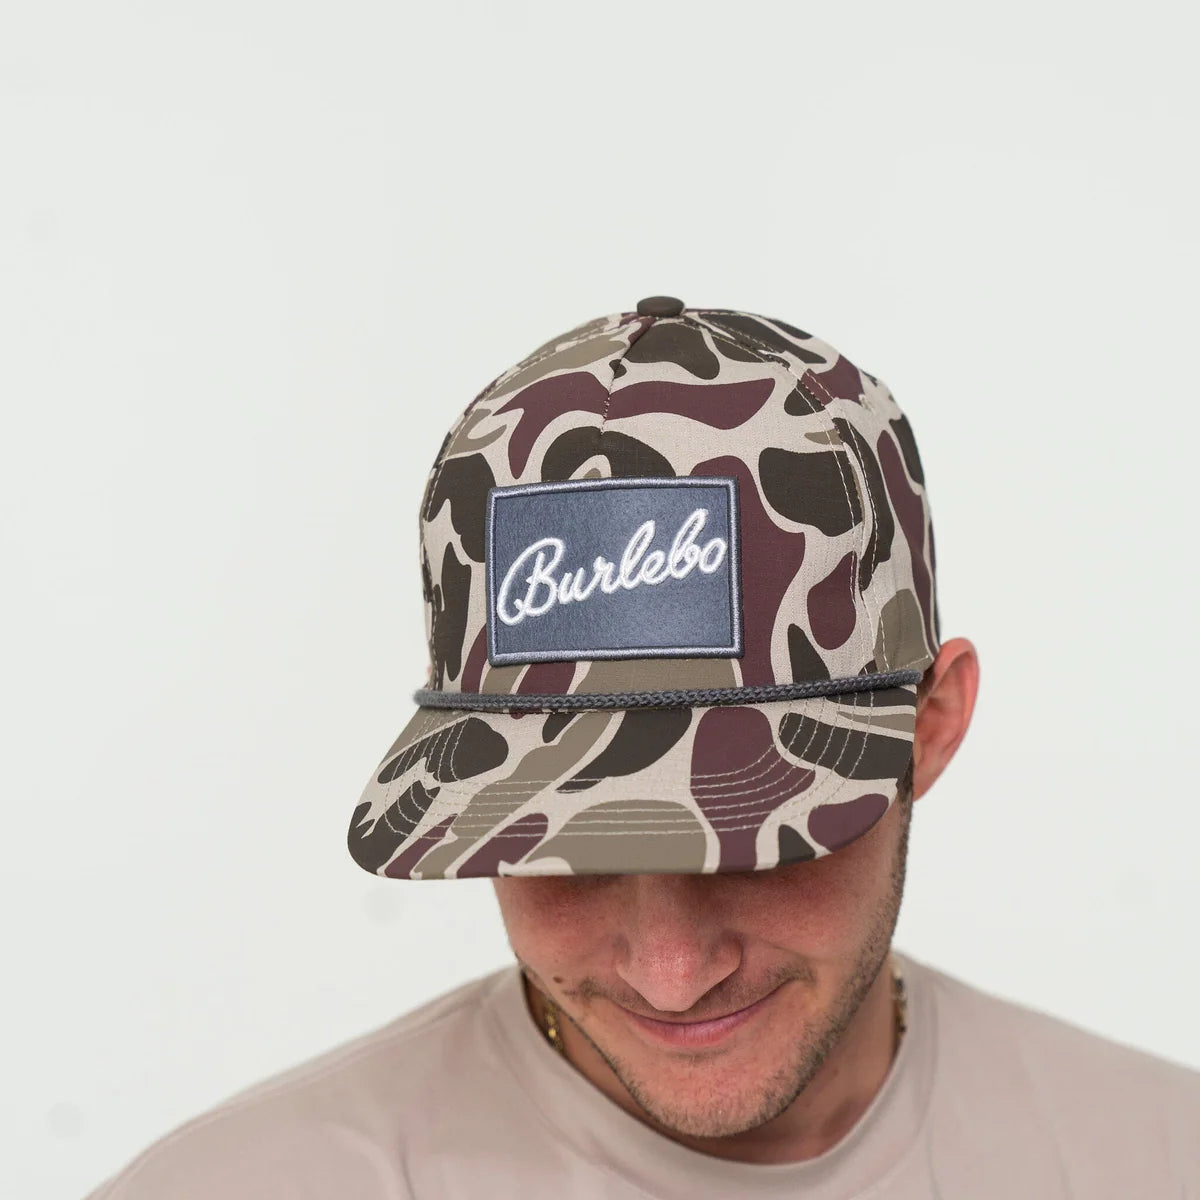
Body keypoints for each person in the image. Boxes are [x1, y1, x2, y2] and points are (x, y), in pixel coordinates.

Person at [85, 298, 1200, 1199]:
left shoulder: (1158, 1157)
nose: (672, 968)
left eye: (754, 833)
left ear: (932, 724)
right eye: (564, 844)